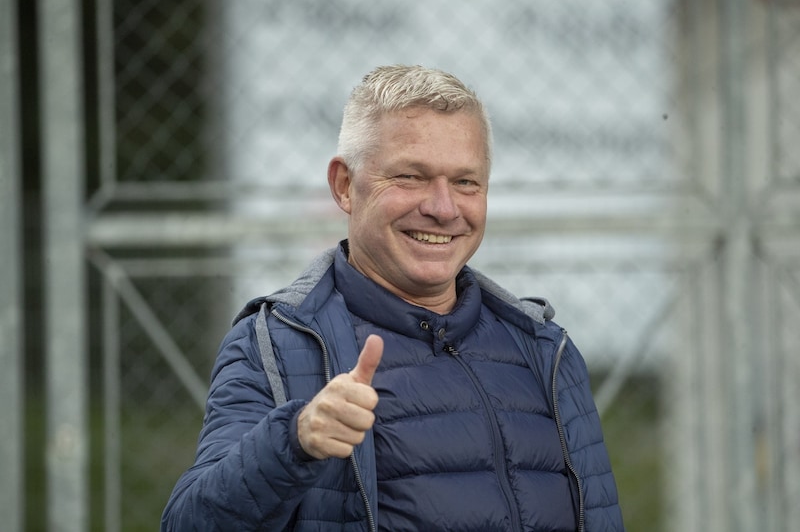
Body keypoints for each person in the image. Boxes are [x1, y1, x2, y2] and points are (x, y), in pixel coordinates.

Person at [161, 64, 624, 531]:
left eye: (465, 182)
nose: (442, 208)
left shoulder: (545, 349)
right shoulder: (276, 347)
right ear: (345, 185)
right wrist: (293, 442)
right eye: (410, 176)